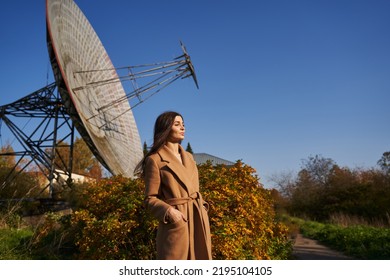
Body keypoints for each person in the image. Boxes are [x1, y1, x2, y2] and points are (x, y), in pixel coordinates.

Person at [135, 111, 212, 260]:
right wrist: (169, 212)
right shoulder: (155, 160)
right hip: (177, 223)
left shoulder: (189, 157)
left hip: (198, 220)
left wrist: (203, 207)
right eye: (177, 124)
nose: (182, 128)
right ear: (165, 128)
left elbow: (194, 188)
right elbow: (150, 199)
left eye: (183, 124)